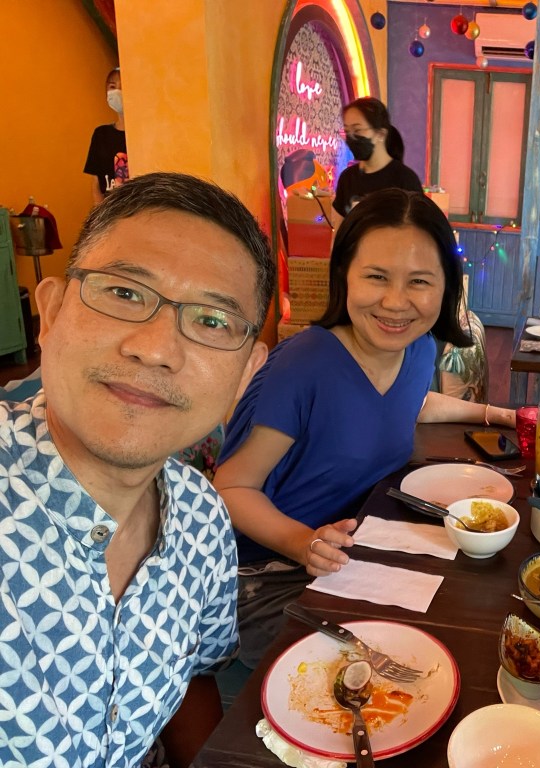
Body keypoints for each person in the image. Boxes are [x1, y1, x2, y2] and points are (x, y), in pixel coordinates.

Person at [0, 172, 274, 767]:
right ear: (48, 314)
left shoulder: (202, 517)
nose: (155, 347)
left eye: (211, 321)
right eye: (124, 293)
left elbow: (193, 680)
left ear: (246, 371)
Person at [215, 188, 514, 669]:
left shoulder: (417, 350)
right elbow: (230, 488)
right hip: (272, 572)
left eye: (419, 281)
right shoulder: (303, 367)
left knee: (476, 616)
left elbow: (407, 405)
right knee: (393, 673)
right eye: (376, 277)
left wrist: (497, 416)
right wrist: (303, 543)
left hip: (365, 548)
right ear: (345, 278)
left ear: (446, 288)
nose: (396, 303)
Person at [332, 97, 422, 218]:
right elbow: (340, 229)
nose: (351, 137)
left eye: (357, 130)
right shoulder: (347, 178)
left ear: (381, 134)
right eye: (347, 131)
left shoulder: (405, 180)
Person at [84, 66, 129, 205]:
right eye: (112, 86)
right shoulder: (101, 135)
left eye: (122, 87)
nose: (117, 91)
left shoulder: (144, 136)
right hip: (110, 211)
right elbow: (96, 183)